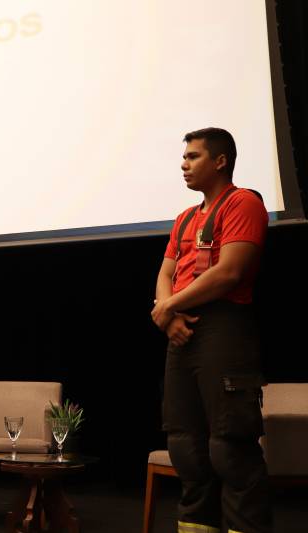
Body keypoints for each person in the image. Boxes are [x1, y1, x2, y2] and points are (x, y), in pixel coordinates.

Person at [151, 128, 271, 533]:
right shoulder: (184, 218)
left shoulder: (244, 202)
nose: (184, 164)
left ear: (220, 161)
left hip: (225, 329)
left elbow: (229, 273)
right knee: (187, 450)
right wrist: (169, 317)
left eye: (193, 156)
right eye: (184, 157)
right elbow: (167, 272)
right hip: (183, 330)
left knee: (230, 449)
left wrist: (168, 307)